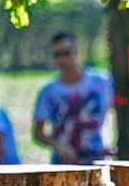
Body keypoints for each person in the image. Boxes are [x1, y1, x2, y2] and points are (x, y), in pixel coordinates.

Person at [32, 31, 114, 164]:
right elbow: (38, 133)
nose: (62, 59)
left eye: (66, 53)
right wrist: (58, 146)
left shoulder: (102, 82)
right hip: (62, 163)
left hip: (97, 160)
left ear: (76, 52)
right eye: (56, 55)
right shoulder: (48, 92)